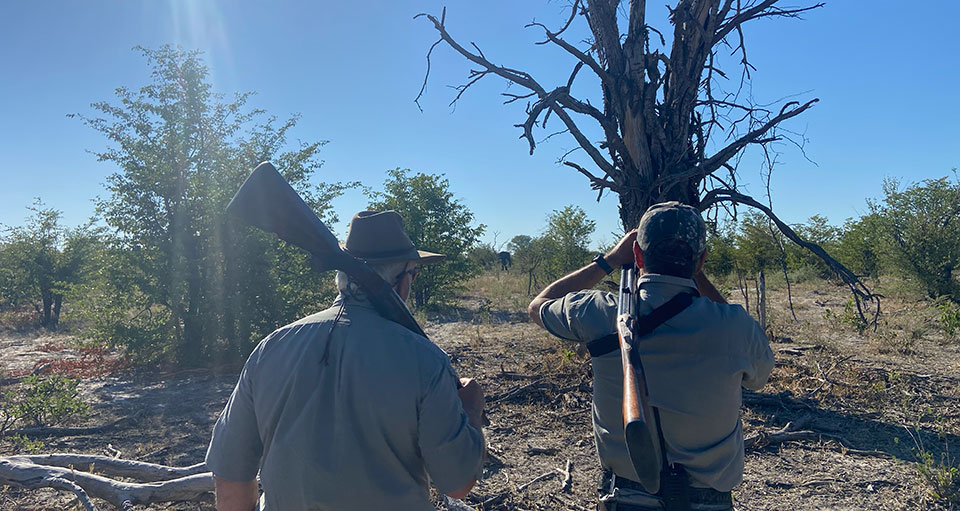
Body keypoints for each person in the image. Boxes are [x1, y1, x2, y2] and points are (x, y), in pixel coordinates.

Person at [206, 210, 486, 511]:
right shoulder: (426, 361)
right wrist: (470, 408)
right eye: (414, 274)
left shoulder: (270, 348)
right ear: (404, 280)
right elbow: (458, 485)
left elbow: (231, 476)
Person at [528, 202, 774, 511]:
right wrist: (698, 276)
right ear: (700, 262)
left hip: (626, 499)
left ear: (638, 256)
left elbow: (539, 304)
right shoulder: (735, 326)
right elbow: (760, 376)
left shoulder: (599, 314)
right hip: (710, 503)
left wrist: (610, 260)